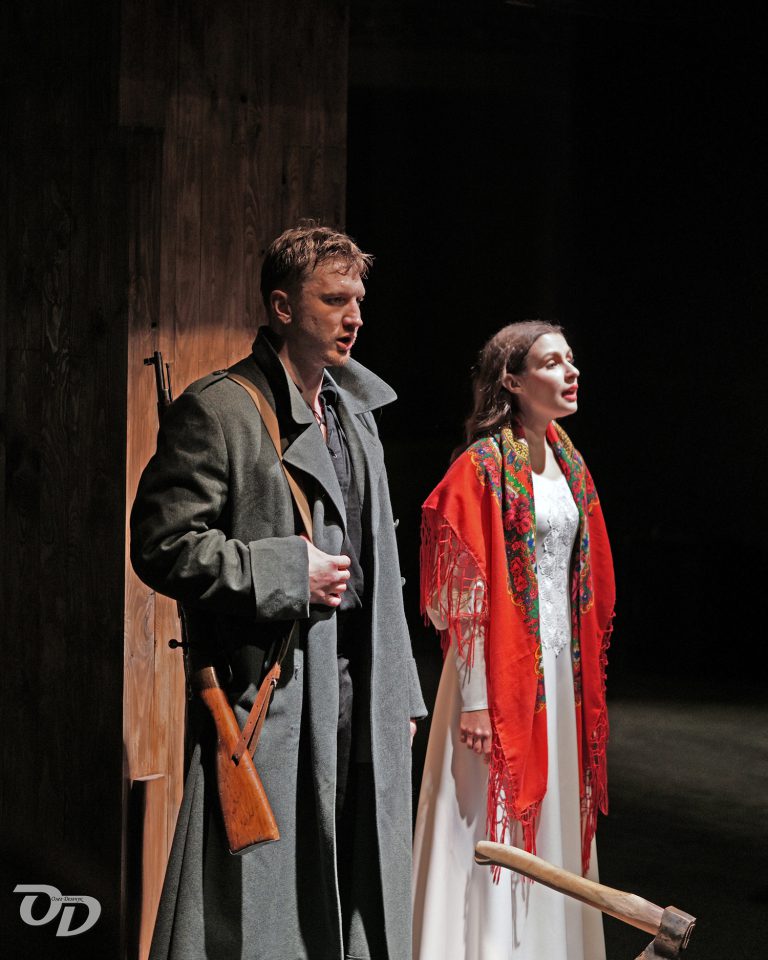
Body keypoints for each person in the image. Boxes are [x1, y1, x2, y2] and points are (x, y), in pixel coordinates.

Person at [131, 222, 426, 960]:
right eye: (333, 300)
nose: (353, 317)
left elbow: (382, 561)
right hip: (277, 694)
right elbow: (163, 544)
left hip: (359, 690)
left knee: (357, 885)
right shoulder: (220, 410)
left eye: (358, 300)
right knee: (267, 910)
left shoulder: (355, 414)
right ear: (283, 306)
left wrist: (400, 692)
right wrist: (288, 573)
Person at [412, 321, 615, 960]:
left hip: (555, 674)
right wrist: (474, 697)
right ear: (514, 380)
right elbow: (459, 591)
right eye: (552, 362)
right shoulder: (482, 465)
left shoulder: (569, 463)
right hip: (494, 675)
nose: (570, 372)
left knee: (553, 814)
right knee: (484, 813)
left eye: (571, 359)